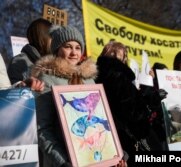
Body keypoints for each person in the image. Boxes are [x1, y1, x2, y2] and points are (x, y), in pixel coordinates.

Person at [31, 25, 98, 167]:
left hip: (91, 157)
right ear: (57, 50)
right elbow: (42, 129)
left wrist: (114, 151)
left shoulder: (90, 80)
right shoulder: (47, 79)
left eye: (78, 47)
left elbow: (98, 118)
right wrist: (62, 162)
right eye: (68, 46)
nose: (74, 52)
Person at [95, 41, 161, 165]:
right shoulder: (118, 76)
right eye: (123, 54)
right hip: (129, 138)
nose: (124, 57)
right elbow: (134, 112)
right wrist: (149, 99)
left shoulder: (97, 74)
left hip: (108, 138)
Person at [8, 18, 52, 84]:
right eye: (53, 36)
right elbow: (15, 91)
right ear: (42, 38)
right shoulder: (20, 62)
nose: (56, 41)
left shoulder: (54, 61)